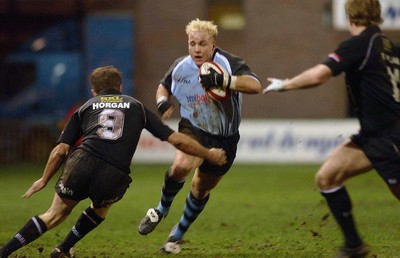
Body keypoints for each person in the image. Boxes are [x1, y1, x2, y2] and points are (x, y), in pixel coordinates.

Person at [0, 65, 227, 258]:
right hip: (113, 171)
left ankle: (5, 251)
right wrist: (208, 154)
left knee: (53, 215)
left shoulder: (85, 107)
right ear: (120, 87)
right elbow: (177, 140)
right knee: (100, 208)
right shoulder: (136, 106)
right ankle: (63, 248)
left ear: (94, 91)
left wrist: (43, 179)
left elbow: (60, 150)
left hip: (81, 162)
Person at [263, 0, 400, 257]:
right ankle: (354, 246)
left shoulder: (358, 44)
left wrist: (286, 84)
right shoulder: (391, 47)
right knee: (327, 178)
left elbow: (319, 75)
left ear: (350, 16)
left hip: (390, 139)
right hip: (372, 136)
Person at [137, 18, 261, 254]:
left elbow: (255, 85)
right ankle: (161, 210)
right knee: (182, 165)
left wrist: (225, 80)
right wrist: (163, 102)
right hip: (193, 128)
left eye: (202, 44)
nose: (196, 49)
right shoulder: (181, 66)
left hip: (225, 138)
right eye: (192, 43)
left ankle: (177, 235)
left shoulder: (228, 62)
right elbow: (163, 86)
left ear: (213, 45)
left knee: (201, 188)